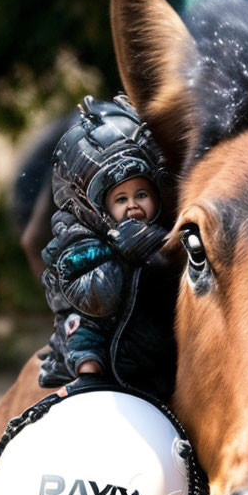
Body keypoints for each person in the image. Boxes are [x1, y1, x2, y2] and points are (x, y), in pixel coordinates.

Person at [38, 94, 178, 399]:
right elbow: (96, 298)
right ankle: (88, 379)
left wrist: (158, 248)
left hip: (154, 352)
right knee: (85, 335)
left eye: (141, 194)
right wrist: (120, 254)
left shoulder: (164, 232)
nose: (133, 205)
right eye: (121, 199)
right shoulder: (80, 239)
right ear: (100, 207)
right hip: (101, 339)